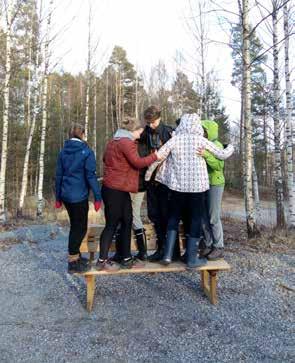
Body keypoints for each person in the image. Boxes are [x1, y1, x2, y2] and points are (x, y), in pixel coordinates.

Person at [145, 113, 234, 268]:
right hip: (197, 189)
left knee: (173, 218)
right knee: (194, 220)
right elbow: (223, 154)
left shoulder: (175, 140)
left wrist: (148, 175)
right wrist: (231, 146)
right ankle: (192, 259)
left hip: (177, 188)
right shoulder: (201, 140)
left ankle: (167, 255)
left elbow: (158, 157)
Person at [96, 117, 160, 271]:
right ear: (134, 130)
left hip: (120, 188)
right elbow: (137, 162)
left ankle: (124, 257)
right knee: (112, 223)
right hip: (114, 190)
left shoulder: (114, 141)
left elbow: (105, 158)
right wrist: (155, 156)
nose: (141, 133)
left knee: (127, 219)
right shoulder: (126, 142)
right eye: (140, 131)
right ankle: (102, 261)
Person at [55, 123, 102, 274]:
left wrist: (58, 197)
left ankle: (76, 256)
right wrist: (97, 197)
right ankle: (72, 262)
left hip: (66, 196)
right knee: (79, 228)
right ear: (82, 134)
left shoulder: (63, 152)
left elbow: (59, 176)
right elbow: (90, 176)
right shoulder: (86, 151)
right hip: (79, 196)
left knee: (75, 226)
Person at [139, 105, 180, 262]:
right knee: (155, 215)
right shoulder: (145, 133)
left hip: (166, 182)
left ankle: (172, 251)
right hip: (151, 181)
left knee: (167, 216)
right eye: (148, 122)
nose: (150, 125)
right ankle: (160, 248)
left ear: (159, 118)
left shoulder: (169, 132)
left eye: (153, 122)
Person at [199, 119, 226, 260]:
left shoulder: (217, 145)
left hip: (215, 184)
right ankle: (208, 245)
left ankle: (219, 246)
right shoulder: (202, 143)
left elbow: (218, 166)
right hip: (203, 184)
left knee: (213, 216)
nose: (202, 132)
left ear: (209, 131)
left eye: (204, 130)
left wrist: (206, 155)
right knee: (204, 216)